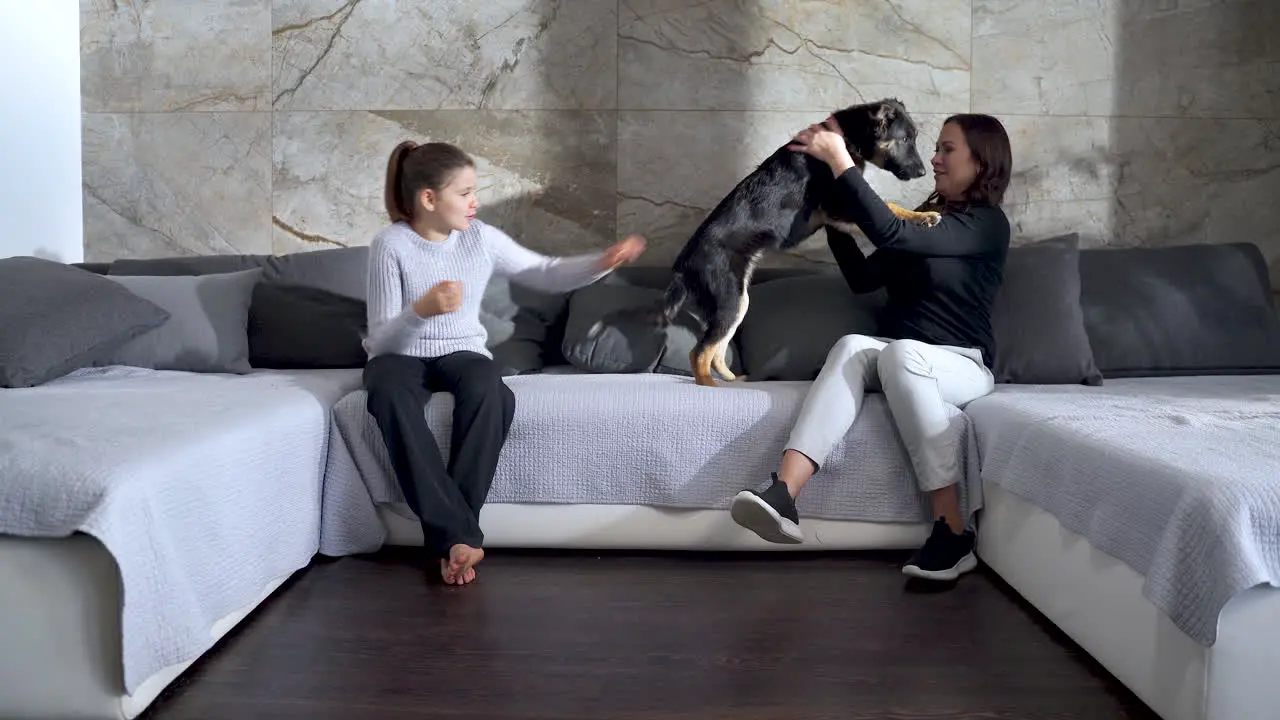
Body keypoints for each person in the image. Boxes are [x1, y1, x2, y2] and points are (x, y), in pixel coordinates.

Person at [729, 113, 1013, 583]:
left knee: (901, 352)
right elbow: (864, 278)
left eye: (947, 149)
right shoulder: (929, 218)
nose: (936, 160)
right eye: (937, 149)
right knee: (853, 346)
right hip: (906, 357)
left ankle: (952, 530)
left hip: (962, 364)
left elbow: (892, 231)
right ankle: (783, 494)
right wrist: (831, 221)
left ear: (982, 162)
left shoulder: (984, 225)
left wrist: (843, 161)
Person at [364, 140, 646, 586]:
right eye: (465, 192)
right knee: (387, 394)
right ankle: (459, 538)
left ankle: (453, 537)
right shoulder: (390, 245)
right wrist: (421, 310)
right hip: (399, 355)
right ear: (429, 199)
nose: (475, 202)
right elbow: (381, 340)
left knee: (492, 392)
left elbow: (546, 271)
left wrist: (601, 263)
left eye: (475, 191)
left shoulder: (480, 238)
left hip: (462, 350)